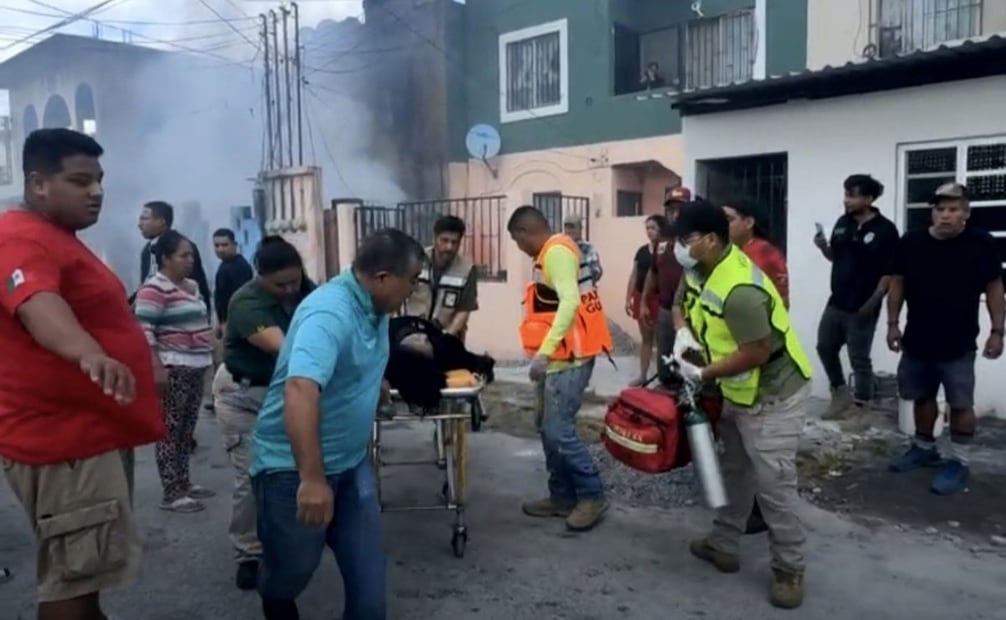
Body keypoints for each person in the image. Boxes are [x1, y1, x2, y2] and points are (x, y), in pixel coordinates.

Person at [0, 128, 163, 620]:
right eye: (79, 180)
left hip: (87, 437)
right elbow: (35, 302)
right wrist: (88, 353)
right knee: (71, 583)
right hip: (65, 444)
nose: (95, 192)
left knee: (85, 579)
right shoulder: (20, 237)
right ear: (38, 183)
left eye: (98, 180)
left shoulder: (57, 237)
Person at [250, 228, 426, 620]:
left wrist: (371, 379)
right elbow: (299, 388)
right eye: (411, 281)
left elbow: (353, 357)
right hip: (292, 471)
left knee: (369, 588)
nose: (413, 291)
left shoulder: (374, 306)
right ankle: (273, 591)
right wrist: (312, 480)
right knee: (290, 575)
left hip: (351, 464)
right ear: (382, 277)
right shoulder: (329, 312)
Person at [669, 200, 812, 610]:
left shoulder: (742, 289)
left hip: (774, 391)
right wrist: (683, 336)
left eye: (685, 240)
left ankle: (789, 567)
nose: (679, 248)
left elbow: (756, 352)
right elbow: (680, 304)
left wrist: (702, 373)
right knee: (734, 469)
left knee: (773, 484)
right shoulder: (697, 266)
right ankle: (723, 543)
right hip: (734, 387)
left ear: (711, 239)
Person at [886, 182, 1004, 496]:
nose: (946, 216)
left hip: (959, 342)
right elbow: (897, 283)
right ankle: (924, 448)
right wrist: (893, 323)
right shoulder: (911, 242)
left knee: (960, 403)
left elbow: (994, 287)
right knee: (922, 397)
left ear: (965, 214)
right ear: (933, 213)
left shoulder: (981, 243)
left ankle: (959, 462)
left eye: (953, 209)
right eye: (940, 209)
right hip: (918, 339)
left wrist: (997, 331)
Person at [213, 235, 315, 591]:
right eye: (280, 284)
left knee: (288, 473)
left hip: (282, 392)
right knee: (251, 478)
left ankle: (286, 544)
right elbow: (288, 352)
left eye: (295, 281)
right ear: (261, 277)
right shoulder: (246, 302)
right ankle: (248, 554)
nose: (289, 289)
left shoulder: (305, 288)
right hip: (243, 396)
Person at [508, 205, 614, 531]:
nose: (518, 247)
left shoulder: (556, 253)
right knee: (547, 427)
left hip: (570, 358)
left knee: (559, 430)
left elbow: (570, 302)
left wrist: (545, 352)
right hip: (560, 358)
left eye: (516, 240)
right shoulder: (556, 251)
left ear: (526, 233)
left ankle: (592, 495)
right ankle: (562, 496)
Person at [134, 230, 215, 513]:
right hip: (173, 367)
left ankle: (184, 482)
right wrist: (156, 366)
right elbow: (144, 329)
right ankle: (171, 492)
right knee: (170, 430)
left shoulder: (191, 286)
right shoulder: (154, 288)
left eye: (191, 254)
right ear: (166, 258)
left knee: (186, 430)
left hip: (196, 366)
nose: (189, 260)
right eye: (183, 255)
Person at [814, 174, 899, 418]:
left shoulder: (886, 230)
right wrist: (822, 247)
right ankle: (839, 395)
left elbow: (889, 273)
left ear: (869, 198)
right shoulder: (843, 222)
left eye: (853, 195)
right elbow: (835, 257)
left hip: (864, 305)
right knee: (825, 347)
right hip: (837, 301)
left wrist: (872, 302)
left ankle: (861, 409)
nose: (847, 200)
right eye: (846, 194)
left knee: (859, 359)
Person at [641, 188, 689, 385]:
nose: (675, 214)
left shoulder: (697, 240)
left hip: (689, 314)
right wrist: (643, 302)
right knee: (664, 361)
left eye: (680, 209)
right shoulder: (662, 242)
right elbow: (653, 273)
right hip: (665, 310)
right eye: (672, 209)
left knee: (688, 362)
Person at [403, 214, 478, 338]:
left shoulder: (467, 269)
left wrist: (446, 337)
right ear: (434, 238)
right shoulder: (416, 259)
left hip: (447, 338)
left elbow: (465, 309)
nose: (449, 247)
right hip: (412, 335)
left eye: (455, 242)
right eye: (444, 240)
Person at [138, 200, 211, 315]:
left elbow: (200, 286)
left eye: (144, 219)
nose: (140, 224)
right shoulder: (148, 250)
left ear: (161, 221)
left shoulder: (183, 248)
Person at [723, 197, 789, 307]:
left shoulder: (765, 252)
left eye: (729, 220)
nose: (722, 225)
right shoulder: (729, 250)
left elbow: (783, 299)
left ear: (749, 223)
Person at [624, 214, 667, 385]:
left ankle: (663, 377)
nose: (649, 231)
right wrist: (628, 299)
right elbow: (634, 275)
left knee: (663, 340)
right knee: (646, 339)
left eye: (653, 228)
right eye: (647, 228)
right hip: (641, 296)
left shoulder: (666, 250)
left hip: (659, 299)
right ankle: (642, 375)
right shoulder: (642, 251)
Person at [212, 227, 254, 334]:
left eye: (225, 245)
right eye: (217, 245)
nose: (220, 249)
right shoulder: (226, 265)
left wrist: (227, 322)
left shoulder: (238, 267)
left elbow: (239, 298)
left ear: (234, 245)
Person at [563, 214, 602, 285]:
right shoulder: (560, 247)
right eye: (566, 227)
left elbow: (597, 272)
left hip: (583, 291)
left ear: (580, 228)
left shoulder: (588, 248)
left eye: (572, 227)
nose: (568, 231)